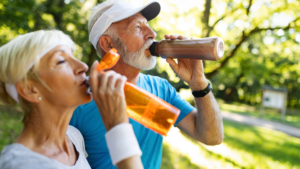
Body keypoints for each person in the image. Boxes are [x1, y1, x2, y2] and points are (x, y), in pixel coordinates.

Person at [70, 0, 224, 168]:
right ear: (108, 44)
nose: (152, 33)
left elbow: (210, 137)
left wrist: (199, 83)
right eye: (137, 27)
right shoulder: (78, 100)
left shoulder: (160, 89)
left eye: (148, 25)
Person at [0, 30, 144, 169]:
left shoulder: (74, 138)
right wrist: (117, 127)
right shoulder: (19, 164)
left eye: (73, 57)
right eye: (61, 61)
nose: (83, 66)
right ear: (30, 89)